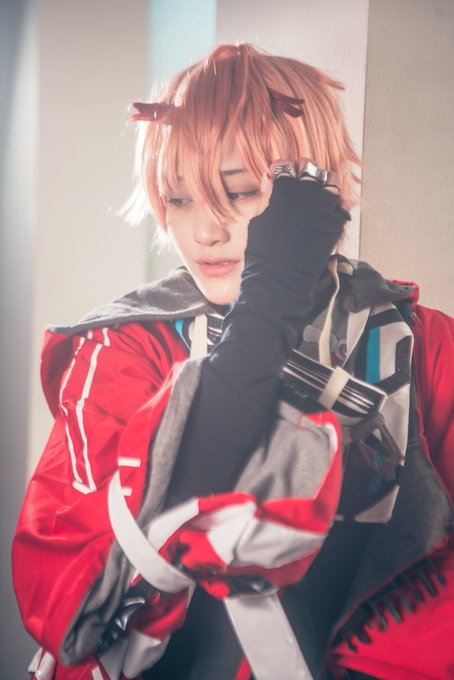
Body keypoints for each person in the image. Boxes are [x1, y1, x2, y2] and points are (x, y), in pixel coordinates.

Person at [12, 43, 454, 680]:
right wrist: (270, 297)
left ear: (316, 195)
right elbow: (75, 601)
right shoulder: (123, 347)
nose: (204, 231)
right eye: (179, 199)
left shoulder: (422, 342)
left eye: (240, 192)